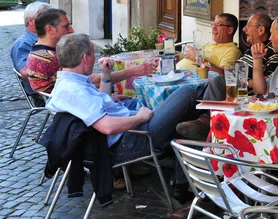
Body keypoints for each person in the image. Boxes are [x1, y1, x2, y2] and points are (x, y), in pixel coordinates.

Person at [45, 33, 196, 186]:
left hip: (121, 134)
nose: (94, 58)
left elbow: (100, 104)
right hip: (128, 141)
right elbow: (107, 127)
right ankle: (186, 179)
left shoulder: (69, 82)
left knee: (185, 120)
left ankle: (182, 180)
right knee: (187, 93)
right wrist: (139, 118)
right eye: (93, 54)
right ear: (85, 58)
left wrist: (105, 76)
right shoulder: (75, 91)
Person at [176, 14, 278, 139]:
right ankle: (198, 122)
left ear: (261, 30)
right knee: (206, 88)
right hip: (234, 87)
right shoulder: (250, 50)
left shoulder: (272, 53)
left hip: (247, 94)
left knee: (218, 81)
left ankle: (207, 123)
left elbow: (270, 83)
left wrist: (245, 82)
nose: (244, 29)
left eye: (248, 25)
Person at [26, 8, 154, 94]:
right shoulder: (52, 59)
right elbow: (93, 81)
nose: (71, 30)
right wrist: (133, 71)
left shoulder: (37, 51)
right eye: (65, 26)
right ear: (50, 29)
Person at [10, 2, 51, 102]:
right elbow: (25, 72)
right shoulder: (23, 44)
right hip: (40, 93)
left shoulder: (46, 39)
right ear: (31, 21)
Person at [176, 13, 241, 75]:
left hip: (194, 83)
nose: (213, 28)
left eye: (218, 25)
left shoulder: (232, 51)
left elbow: (222, 73)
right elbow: (190, 56)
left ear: (230, 30)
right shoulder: (209, 44)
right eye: (213, 25)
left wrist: (198, 58)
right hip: (176, 75)